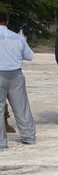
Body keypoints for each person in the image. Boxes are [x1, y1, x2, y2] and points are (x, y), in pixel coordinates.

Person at [0, 11, 36, 148]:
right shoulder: (18, 38)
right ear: (7, 21)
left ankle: (2, 142)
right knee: (21, 107)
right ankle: (29, 136)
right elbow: (29, 56)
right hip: (16, 74)